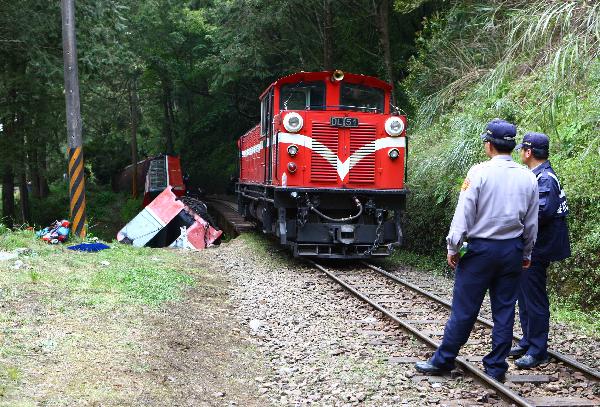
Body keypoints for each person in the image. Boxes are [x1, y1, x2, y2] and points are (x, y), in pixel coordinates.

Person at [414, 119, 539, 381]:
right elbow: (531, 223)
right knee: (504, 312)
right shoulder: (528, 176)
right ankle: (496, 368)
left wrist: (453, 247)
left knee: (465, 309)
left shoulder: (478, 173)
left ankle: (444, 360)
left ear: (489, 145)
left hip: (480, 251)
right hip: (511, 251)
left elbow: (464, 215)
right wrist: (526, 253)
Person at [510, 132, 571, 369]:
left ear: (529, 152)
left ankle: (538, 350)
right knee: (524, 296)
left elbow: (541, 213)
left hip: (539, 248)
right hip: (532, 247)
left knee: (534, 298)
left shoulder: (544, 178)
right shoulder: (538, 175)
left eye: (522, 150)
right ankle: (527, 340)